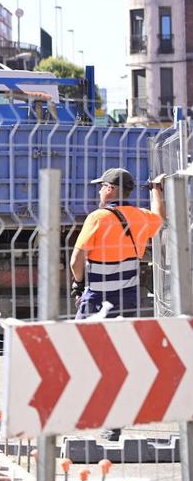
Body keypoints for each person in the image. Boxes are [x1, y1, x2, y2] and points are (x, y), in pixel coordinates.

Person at [70, 168, 165, 441]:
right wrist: (156, 190)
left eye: (101, 187)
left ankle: (90, 408)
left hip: (98, 298)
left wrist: (78, 285)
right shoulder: (141, 218)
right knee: (117, 359)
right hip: (128, 299)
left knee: (77, 350)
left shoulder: (98, 217)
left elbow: (77, 259)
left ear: (110, 189)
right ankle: (113, 420)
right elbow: (160, 217)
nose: (99, 191)